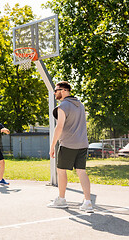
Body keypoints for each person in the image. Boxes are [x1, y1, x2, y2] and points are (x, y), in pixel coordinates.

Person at [47, 81, 93, 213]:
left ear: (65, 90)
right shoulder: (80, 105)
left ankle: (61, 199)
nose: (55, 93)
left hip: (68, 144)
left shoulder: (63, 106)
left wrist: (52, 146)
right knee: (81, 171)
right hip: (82, 144)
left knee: (61, 171)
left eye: (57, 90)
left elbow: (59, 127)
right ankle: (88, 202)